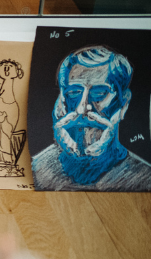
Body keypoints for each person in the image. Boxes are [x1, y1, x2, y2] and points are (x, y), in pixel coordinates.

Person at [32, 46, 151, 190]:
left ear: (124, 103)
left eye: (100, 92)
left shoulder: (145, 178)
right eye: (74, 92)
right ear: (61, 102)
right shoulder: (35, 170)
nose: (83, 108)